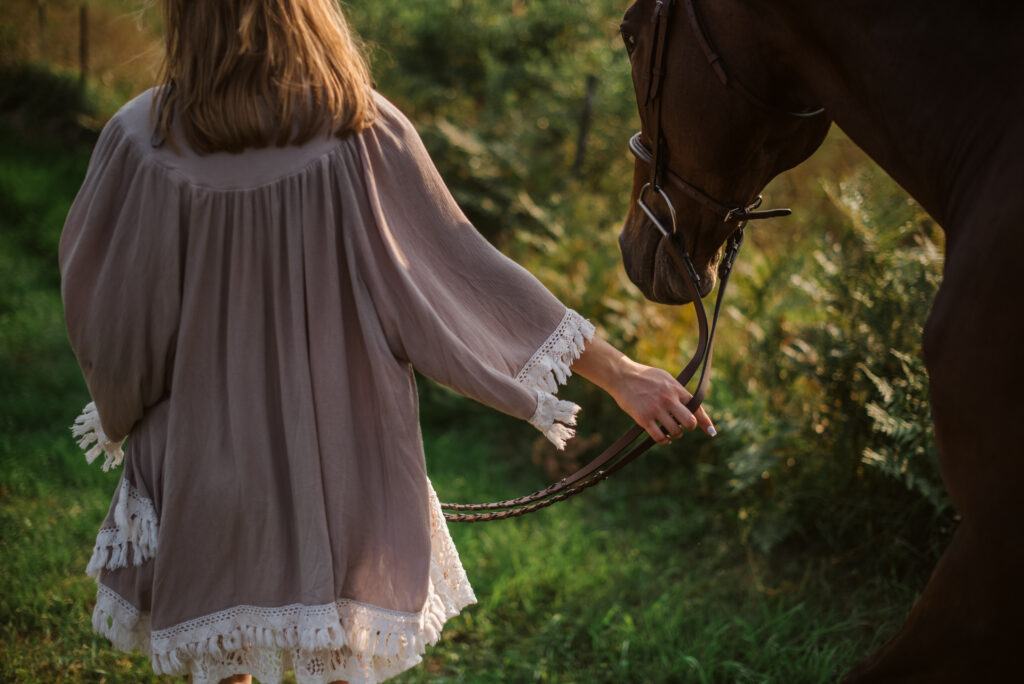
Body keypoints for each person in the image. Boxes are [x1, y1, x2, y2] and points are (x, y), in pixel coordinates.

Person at [60, 1, 714, 682]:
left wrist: (126, 411)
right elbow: (465, 281)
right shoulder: (362, 131)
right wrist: (619, 373)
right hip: (346, 463)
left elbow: (108, 321)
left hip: (204, 461)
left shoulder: (138, 140)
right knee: (342, 662)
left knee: (225, 658)